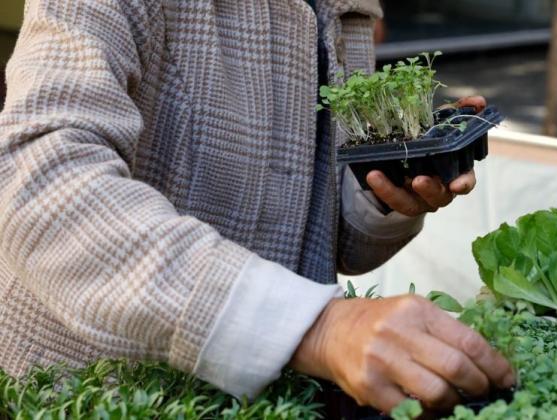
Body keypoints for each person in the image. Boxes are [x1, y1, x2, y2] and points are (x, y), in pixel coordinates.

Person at [0, 0, 515, 414]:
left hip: (268, 400)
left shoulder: (349, 7)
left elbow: (324, 235)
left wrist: (387, 194)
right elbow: (39, 184)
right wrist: (316, 327)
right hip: (91, 392)